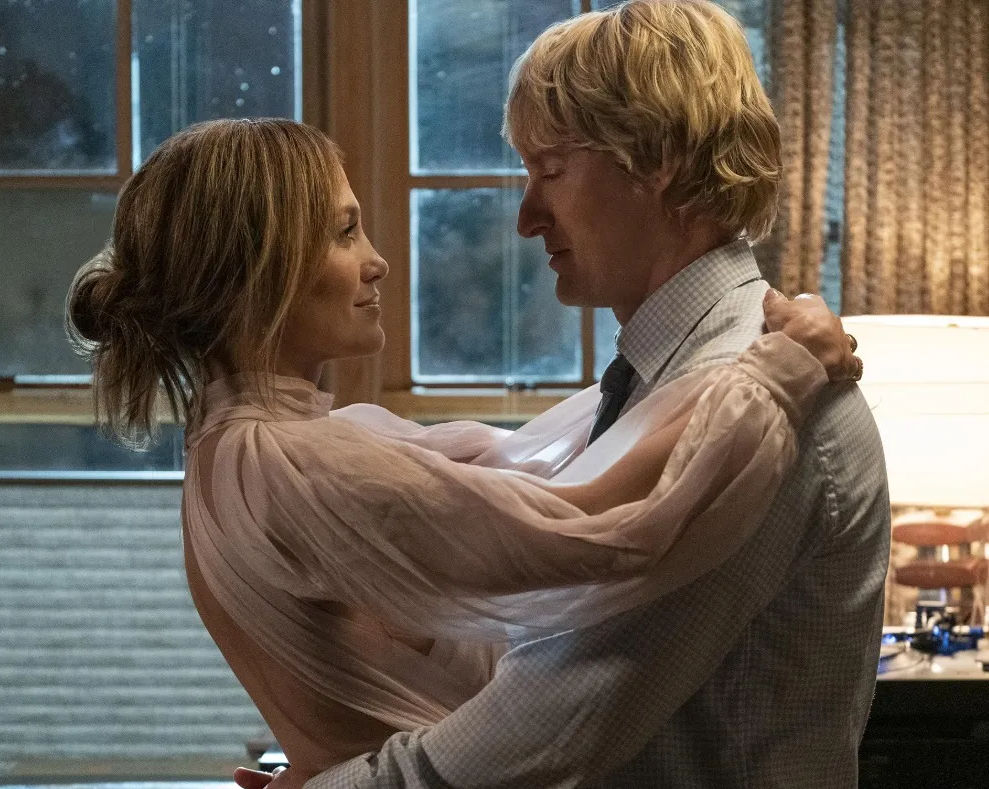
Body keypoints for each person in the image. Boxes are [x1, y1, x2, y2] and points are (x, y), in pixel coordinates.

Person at [65, 114, 861, 788]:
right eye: (344, 232)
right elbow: (588, 523)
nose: (376, 260)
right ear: (254, 271)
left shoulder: (235, 453)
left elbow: (533, 467)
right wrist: (783, 373)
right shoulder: (286, 462)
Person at [229, 2, 887, 788]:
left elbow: (556, 721)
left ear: (659, 160)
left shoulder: (755, 406)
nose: (525, 217)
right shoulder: (673, 382)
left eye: (549, 171)